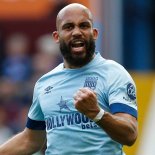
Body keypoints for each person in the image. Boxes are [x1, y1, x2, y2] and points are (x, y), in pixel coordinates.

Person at [0, 3, 138, 155]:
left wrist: (97, 114)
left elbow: (130, 135)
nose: (77, 32)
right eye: (69, 27)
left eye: (84, 26)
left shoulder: (114, 73)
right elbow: (30, 140)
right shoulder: (45, 83)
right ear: (56, 37)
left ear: (95, 33)